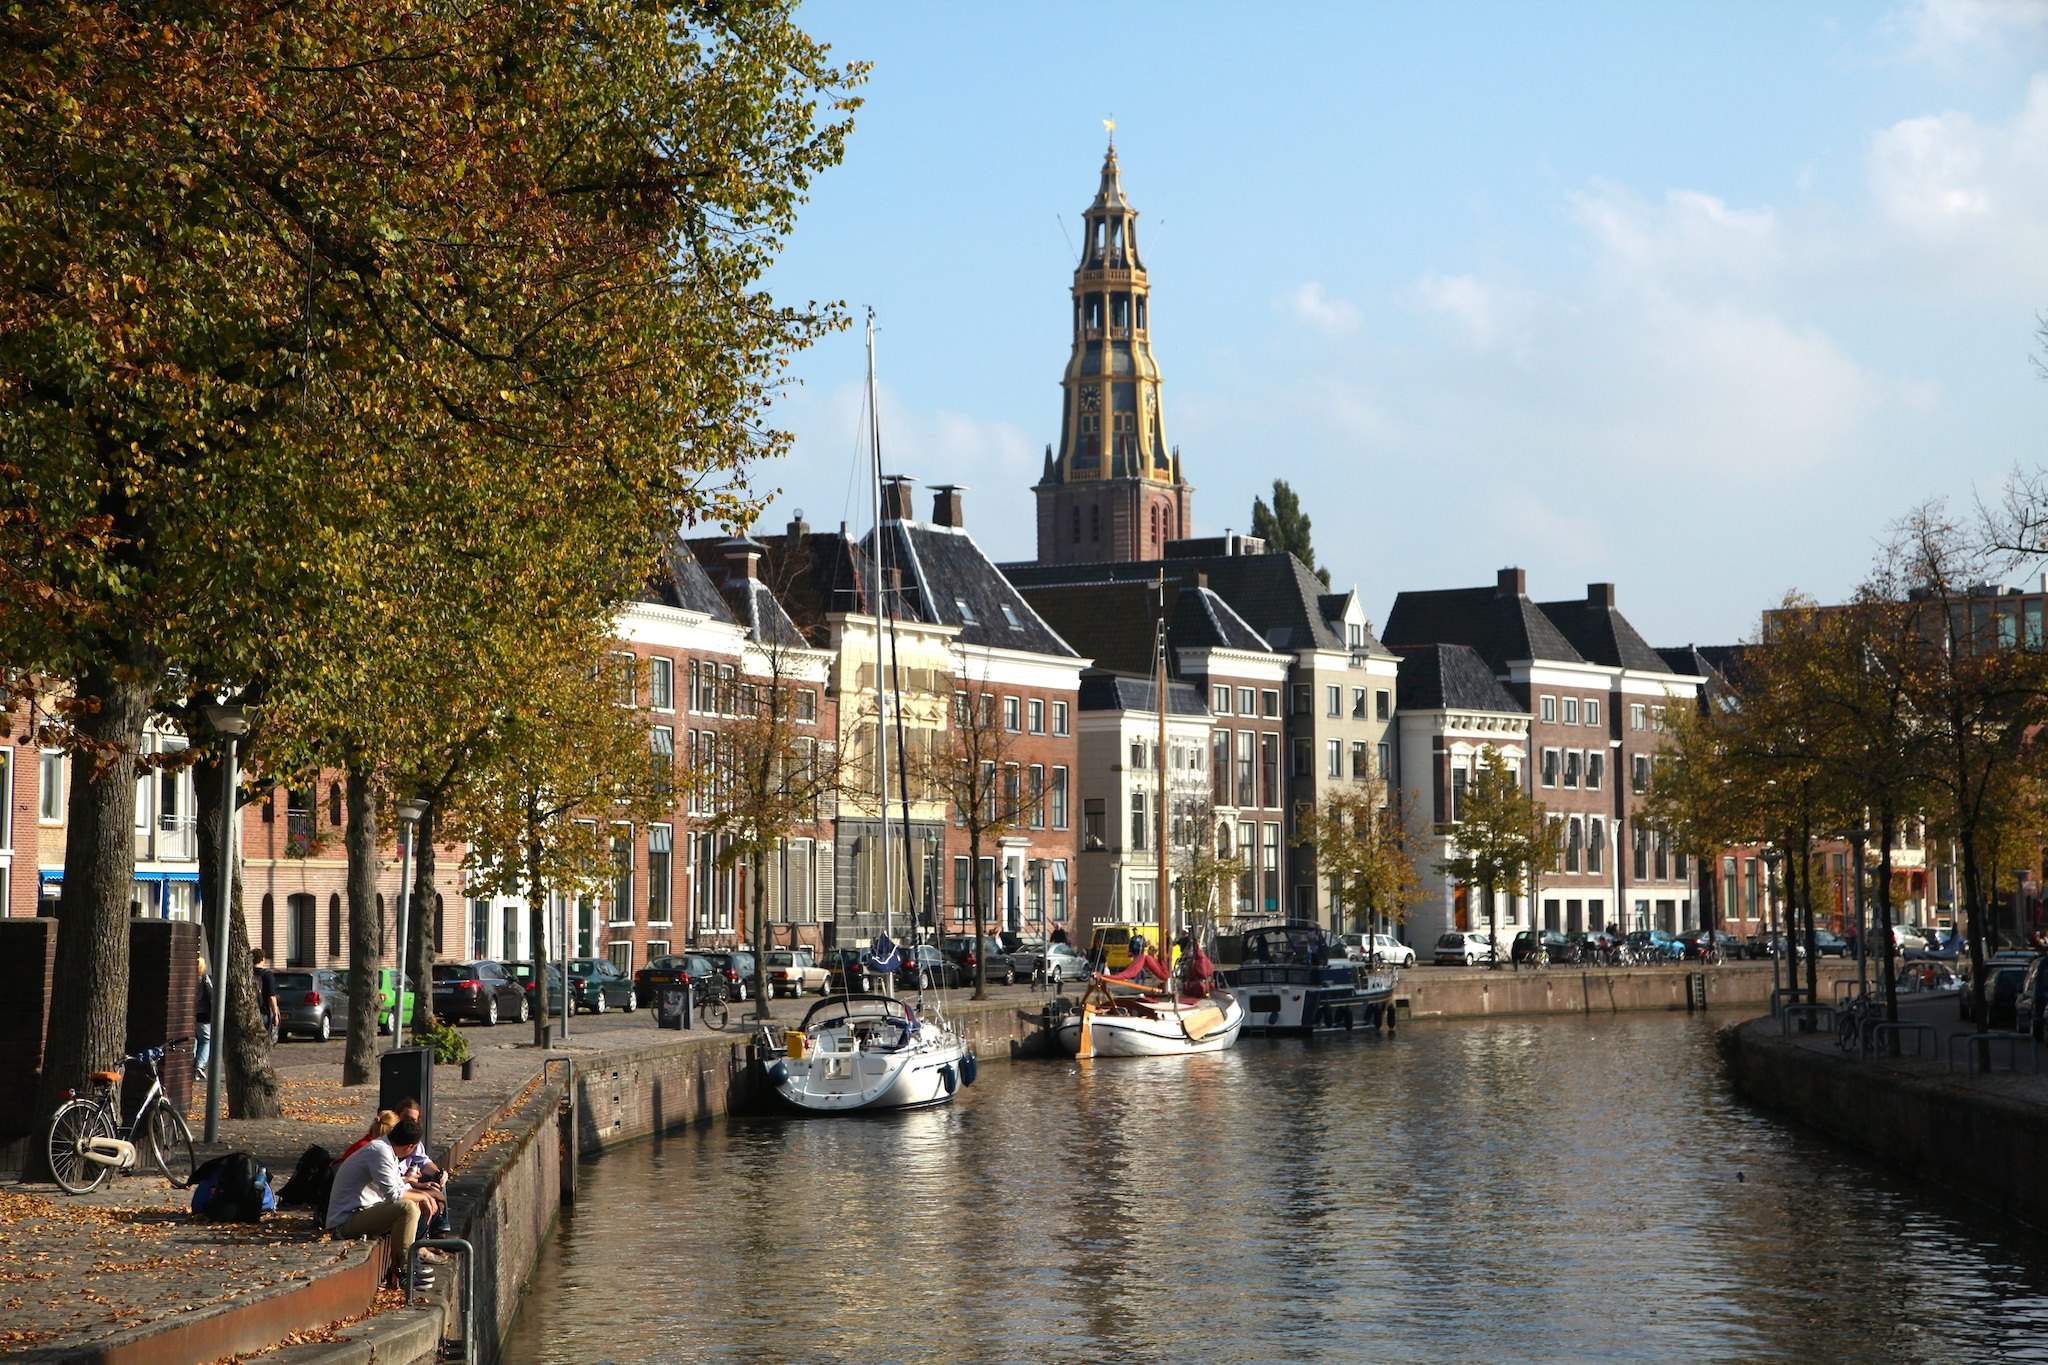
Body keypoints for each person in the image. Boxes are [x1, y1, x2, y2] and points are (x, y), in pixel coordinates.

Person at [326, 1116, 433, 1289]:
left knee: (411, 1205)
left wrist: (423, 1194)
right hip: (345, 1221)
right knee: (407, 1208)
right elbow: (394, 1195)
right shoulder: (379, 1152)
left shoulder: (385, 1149)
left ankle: (401, 1267)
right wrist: (425, 1197)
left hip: (363, 1212)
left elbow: (399, 1186)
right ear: (410, 1147)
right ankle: (404, 1269)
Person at [252, 948, 278, 1043]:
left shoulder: (247, 973)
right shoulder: (267, 974)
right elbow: (271, 996)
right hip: (262, 1012)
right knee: (262, 1040)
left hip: (248, 1010)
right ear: (263, 959)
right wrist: (275, 1014)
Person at [194, 958, 213, 1079]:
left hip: (190, 1015)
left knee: (194, 1039)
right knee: (206, 1040)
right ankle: (199, 1065)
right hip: (203, 1014)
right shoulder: (204, 978)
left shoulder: (189, 978)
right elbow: (212, 994)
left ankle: (192, 1063)